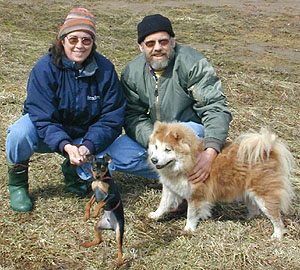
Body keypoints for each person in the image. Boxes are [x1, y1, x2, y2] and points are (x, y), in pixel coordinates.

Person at [78, 14, 232, 185]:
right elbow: (132, 115)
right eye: (150, 43)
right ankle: (175, 178)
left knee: (185, 137)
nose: (157, 48)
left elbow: (215, 107)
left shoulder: (193, 63)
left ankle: (194, 178)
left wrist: (210, 151)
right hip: (156, 137)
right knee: (112, 155)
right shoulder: (132, 72)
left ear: (172, 42)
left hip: (190, 132)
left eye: (163, 41)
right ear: (141, 47)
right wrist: (153, 140)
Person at [5, 7, 126, 212]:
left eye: (86, 40)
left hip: (84, 137)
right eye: (73, 39)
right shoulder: (44, 68)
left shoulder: (105, 70)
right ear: (62, 40)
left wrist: (88, 145)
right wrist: (65, 145)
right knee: (19, 132)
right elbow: (41, 116)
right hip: (48, 132)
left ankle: (73, 171)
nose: (80, 45)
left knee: (109, 165)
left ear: (93, 43)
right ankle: (18, 185)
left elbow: (112, 117)